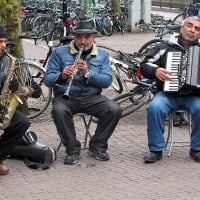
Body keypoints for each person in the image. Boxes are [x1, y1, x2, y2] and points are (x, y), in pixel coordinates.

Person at [44, 21, 122, 165]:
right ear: (74, 37)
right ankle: (72, 149)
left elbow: (106, 81)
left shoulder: (102, 55)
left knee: (114, 109)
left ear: (94, 38)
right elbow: (47, 80)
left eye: (87, 37)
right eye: (79, 37)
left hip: (92, 97)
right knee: (58, 110)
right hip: (66, 97)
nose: (83, 41)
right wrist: (62, 76)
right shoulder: (59, 53)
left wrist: (87, 73)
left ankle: (97, 146)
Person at [140, 16, 200, 163]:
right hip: (167, 94)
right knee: (155, 107)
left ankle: (197, 148)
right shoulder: (163, 47)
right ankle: (156, 150)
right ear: (181, 28)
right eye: (189, 26)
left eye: (197, 29)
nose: (192, 30)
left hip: (194, 95)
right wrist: (156, 71)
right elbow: (144, 65)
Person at [0, 24, 30, 175]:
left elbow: (28, 91)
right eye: (0, 42)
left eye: (4, 41)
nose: (3, 45)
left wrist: (16, 86)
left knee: (22, 122)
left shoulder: (8, 60)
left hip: (2, 105)